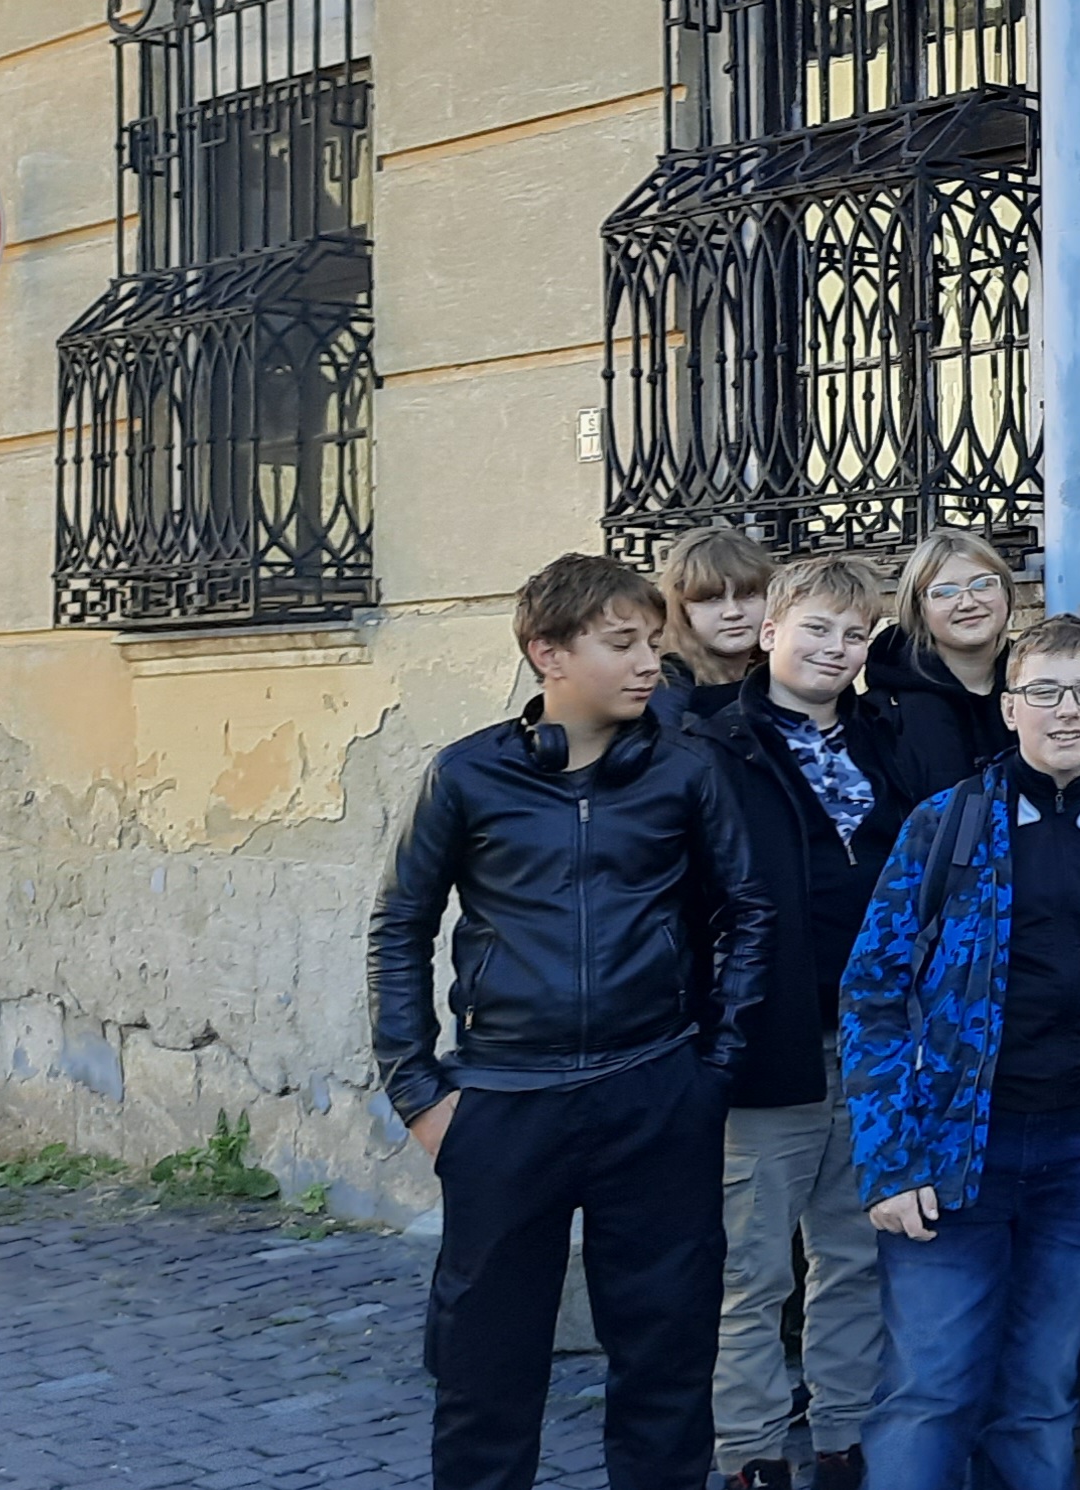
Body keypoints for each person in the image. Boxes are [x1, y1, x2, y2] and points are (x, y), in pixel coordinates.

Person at [367, 552, 774, 1490]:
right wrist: (418, 1092)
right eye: (622, 643)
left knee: (668, 1363)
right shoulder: (465, 774)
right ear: (547, 654)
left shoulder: (685, 770)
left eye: (652, 643)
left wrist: (713, 1069)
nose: (647, 663)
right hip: (505, 1102)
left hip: (655, 1093)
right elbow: (400, 925)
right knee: (484, 1368)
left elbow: (749, 914)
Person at [840, 617, 1080, 1490]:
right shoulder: (948, 825)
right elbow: (873, 992)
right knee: (930, 1387)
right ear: (1009, 708)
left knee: (1039, 1394)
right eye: (1044, 691)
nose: (1065, 710)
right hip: (956, 1148)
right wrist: (889, 1160)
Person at [696, 557, 912, 1490]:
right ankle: (748, 1450)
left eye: (853, 634)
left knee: (854, 1254)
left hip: (871, 1043)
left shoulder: (882, 740)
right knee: (751, 1269)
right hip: (768, 1040)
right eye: (817, 628)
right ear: (771, 631)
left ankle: (842, 1435)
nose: (835, 648)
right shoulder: (716, 745)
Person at [869, 529, 1017, 809]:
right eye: (945, 592)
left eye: (983, 584)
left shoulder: (1042, 687)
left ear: (1006, 593)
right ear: (919, 608)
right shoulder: (884, 711)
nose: (968, 603)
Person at [654, 524, 776, 726]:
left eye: (748, 595)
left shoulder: (780, 678)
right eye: (712, 599)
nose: (733, 612)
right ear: (682, 608)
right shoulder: (666, 685)